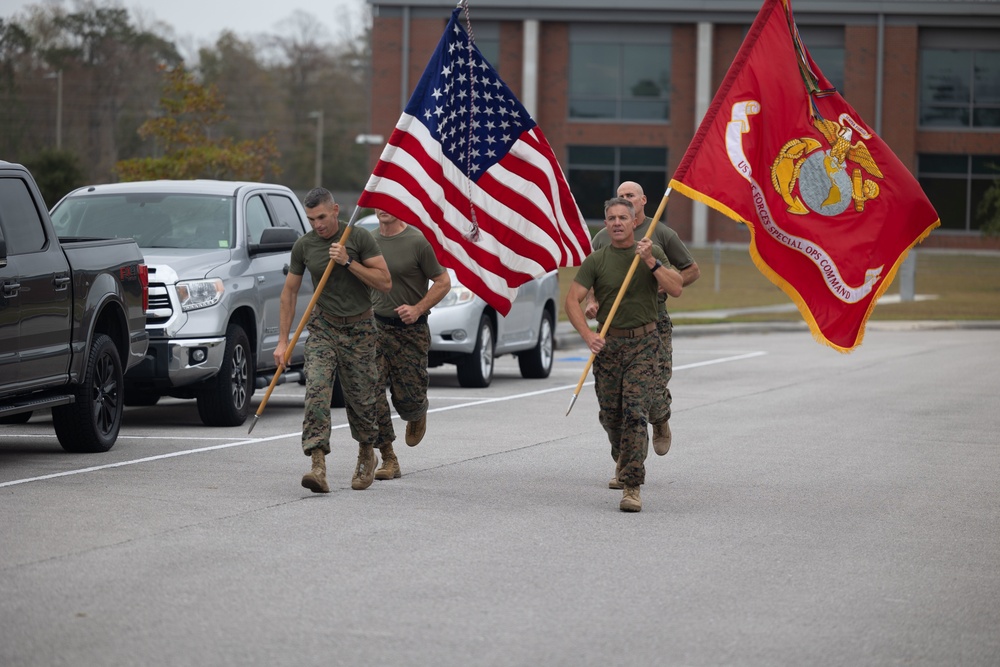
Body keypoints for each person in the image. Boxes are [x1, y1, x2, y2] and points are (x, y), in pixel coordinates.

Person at [566, 197, 683, 512]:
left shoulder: (650, 252)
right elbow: (571, 301)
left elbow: (676, 287)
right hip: (609, 346)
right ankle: (623, 457)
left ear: (635, 222)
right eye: (611, 218)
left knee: (634, 414)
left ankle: (631, 486)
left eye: (623, 217)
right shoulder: (597, 260)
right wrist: (588, 335)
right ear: (605, 224)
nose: (617, 223)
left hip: (644, 345)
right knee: (611, 417)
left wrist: (650, 262)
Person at [274, 188, 392, 494]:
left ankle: (368, 454)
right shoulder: (305, 245)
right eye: (311, 219)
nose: (318, 225)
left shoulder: (359, 238)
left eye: (322, 217)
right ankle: (317, 465)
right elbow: (288, 293)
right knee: (316, 390)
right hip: (323, 327)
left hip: (360, 328)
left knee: (363, 400)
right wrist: (283, 341)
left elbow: (384, 281)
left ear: (336, 210)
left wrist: (348, 262)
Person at [587, 181, 700, 487]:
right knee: (619, 405)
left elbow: (690, 270)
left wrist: (666, 281)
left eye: (631, 197)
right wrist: (593, 302)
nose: (626, 201)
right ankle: (625, 463)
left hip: (653, 321)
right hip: (614, 325)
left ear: (643, 201)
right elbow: (592, 279)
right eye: (621, 197)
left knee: (653, 388)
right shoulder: (603, 238)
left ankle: (661, 419)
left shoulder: (660, 234)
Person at [368, 209, 451, 480]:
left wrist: (417, 308)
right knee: (372, 390)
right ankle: (388, 457)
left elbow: (443, 282)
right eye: (378, 204)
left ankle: (417, 411)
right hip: (377, 329)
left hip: (411, 332)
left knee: (409, 399)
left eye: (388, 204)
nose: (382, 209)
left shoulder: (418, 241)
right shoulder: (367, 242)